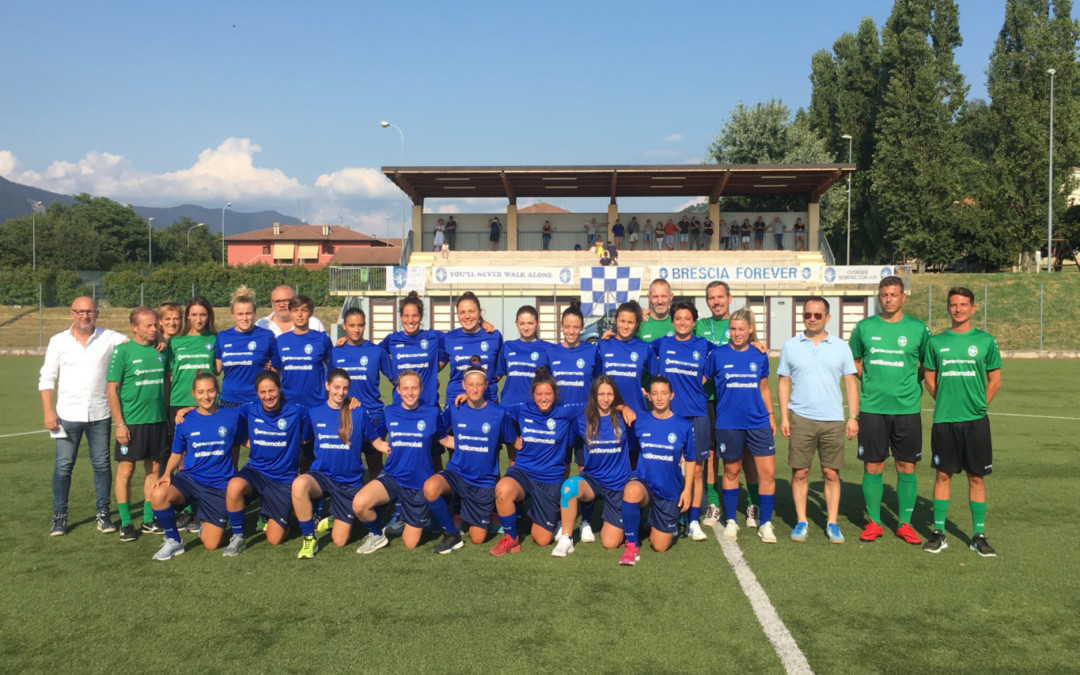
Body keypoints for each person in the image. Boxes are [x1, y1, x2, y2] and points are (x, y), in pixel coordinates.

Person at [922, 287, 1002, 557]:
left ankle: (978, 535)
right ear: (948, 308)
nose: (958, 309)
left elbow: (995, 380)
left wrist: (980, 405)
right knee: (942, 474)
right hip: (945, 419)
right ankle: (939, 532)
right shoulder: (935, 342)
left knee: (976, 477)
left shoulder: (985, 341)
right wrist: (944, 399)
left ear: (973, 308)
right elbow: (930, 378)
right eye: (953, 304)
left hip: (976, 421)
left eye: (963, 304)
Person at [849, 276, 929, 545]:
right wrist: (871, 382)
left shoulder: (919, 329)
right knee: (873, 464)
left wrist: (907, 382)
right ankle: (873, 522)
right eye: (884, 295)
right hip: (872, 408)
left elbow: (926, 365)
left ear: (903, 297)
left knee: (906, 465)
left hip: (907, 408)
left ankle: (904, 523)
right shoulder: (864, 328)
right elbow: (855, 361)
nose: (888, 299)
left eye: (894, 294)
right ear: (878, 297)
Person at [39, 297, 129, 536]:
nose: (84, 316)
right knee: (63, 467)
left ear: (96, 313)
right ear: (72, 314)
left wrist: (159, 338)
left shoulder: (111, 338)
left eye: (89, 311)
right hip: (67, 415)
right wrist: (48, 411)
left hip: (100, 414)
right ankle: (59, 516)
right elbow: (47, 378)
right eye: (80, 312)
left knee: (101, 466)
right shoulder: (58, 341)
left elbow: (136, 341)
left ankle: (103, 514)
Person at [778, 297, 859, 543]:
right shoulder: (791, 345)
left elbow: (850, 383)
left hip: (833, 419)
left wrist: (853, 416)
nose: (812, 318)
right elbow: (783, 381)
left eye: (817, 315)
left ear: (827, 318)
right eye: (807, 315)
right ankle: (801, 521)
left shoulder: (841, 347)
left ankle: (832, 523)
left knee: (831, 473)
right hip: (800, 417)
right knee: (800, 472)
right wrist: (784, 416)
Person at [149, 372, 245, 560]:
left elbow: (246, 436)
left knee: (211, 544)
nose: (206, 396)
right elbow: (177, 453)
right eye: (200, 392)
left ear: (217, 391)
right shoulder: (184, 420)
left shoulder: (232, 416)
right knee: (158, 492)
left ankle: (205, 524)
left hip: (219, 485)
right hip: (190, 480)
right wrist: (167, 472)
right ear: (193, 393)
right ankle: (174, 541)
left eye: (210, 391)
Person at [291, 369, 384, 558]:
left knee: (340, 541)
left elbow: (377, 442)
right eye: (336, 387)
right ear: (327, 386)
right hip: (322, 476)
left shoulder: (358, 412)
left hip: (349, 483)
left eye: (345, 388)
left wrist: (400, 447)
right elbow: (305, 440)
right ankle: (309, 538)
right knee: (299, 484)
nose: (340, 392)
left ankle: (340, 517)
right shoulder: (314, 412)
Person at [491, 370, 585, 555]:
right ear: (533, 394)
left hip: (550, 478)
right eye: (539, 394)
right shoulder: (522, 409)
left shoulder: (565, 411)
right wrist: (511, 439)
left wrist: (623, 407)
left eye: (548, 394)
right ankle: (511, 538)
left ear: (555, 394)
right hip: (524, 471)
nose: (543, 398)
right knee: (503, 489)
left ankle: (531, 515)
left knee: (542, 540)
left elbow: (595, 404)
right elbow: (494, 411)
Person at [425, 365, 517, 553]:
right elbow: (440, 432)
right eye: (471, 385)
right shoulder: (455, 408)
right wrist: (458, 443)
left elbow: (512, 441)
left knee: (477, 539)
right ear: (464, 385)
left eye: (479, 385)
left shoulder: (498, 413)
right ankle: (452, 534)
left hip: (483, 482)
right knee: (430, 488)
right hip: (457, 473)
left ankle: (479, 515)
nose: (474, 389)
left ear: (486, 386)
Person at [351, 371, 445, 554]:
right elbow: (376, 437)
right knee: (359, 504)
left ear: (421, 389)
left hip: (419, 484)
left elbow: (443, 438)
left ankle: (421, 517)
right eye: (405, 388)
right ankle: (377, 535)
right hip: (392, 476)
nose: (410, 393)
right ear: (398, 390)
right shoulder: (389, 411)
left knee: (410, 543)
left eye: (414, 388)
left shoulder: (432, 412)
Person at [705, 309, 778, 543]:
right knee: (731, 471)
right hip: (728, 423)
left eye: (741, 329)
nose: (736, 334)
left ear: (750, 330)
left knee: (767, 473)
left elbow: (764, 387)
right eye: (733, 329)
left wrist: (771, 416)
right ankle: (732, 522)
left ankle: (765, 523)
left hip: (758, 422)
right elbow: (701, 381)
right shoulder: (717, 355)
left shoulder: (759, 354)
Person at [693, 281, 761, 530]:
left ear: (729, 298)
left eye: (720, 297)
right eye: (711, 298)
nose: (716, 302)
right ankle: (713, 502)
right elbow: (674, 327)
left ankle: (753, 503)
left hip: (737, 398)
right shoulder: (700, 325)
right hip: (708, 399)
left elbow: (752, 346)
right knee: (711, 453)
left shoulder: (738, 324)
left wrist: (756, 344)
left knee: (747, 454)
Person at [222, 371, 312, 555]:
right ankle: (238, 536)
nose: (268, 396)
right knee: (234, 485)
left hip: (283, 479)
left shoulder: (296, 411)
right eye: (263, 392)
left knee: (274, 539)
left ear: (279, 389)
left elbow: (314, 421)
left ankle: (288, 516)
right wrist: (244, 439)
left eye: (272, 390)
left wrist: (301, 439)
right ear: (257, 393)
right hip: (256, 471)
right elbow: (222, 415)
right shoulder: (249, 409)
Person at [552, 376, 636, 556]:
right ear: (594, 396)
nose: (605, 399)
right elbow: (569, 443)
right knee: (569, 487)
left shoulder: (624, 418)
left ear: (615, 396)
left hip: (618, 484)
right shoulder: (582, 420)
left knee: (610, 543)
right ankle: (566, 538)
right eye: (601, 394)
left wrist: (624, 407)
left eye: (610, 394)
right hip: (593, 480)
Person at [106, 306, 169, 542]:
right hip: (132, 422)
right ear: (134, 327)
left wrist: (161, 337)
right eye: (149, 326)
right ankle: (125, 523)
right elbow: (112, 390)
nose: (154, 329)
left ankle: (148, 520)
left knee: (153, 470)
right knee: (126, 470)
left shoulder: (161, 349)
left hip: (157, 420)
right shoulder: (122, 352)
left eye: (155, 325)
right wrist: (120, 424)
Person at [652, 301, 713, 541]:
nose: (682, 322)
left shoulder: (704, 345)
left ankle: (694, 520)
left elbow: (730, 351)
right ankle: (675, 514)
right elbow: (633, 346)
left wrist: (756, 344)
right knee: (671, 468)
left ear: (694, 322)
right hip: (670, 416)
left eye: (687, 318)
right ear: (672, 321)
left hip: (697, 413)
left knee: (696, 471)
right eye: (678, 318)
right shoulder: (663, 344)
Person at [619, 376, 694, 565]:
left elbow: (692, 459)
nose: (659, 398)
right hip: (645, 483)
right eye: (655, 393)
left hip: (669, 489)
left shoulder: (684, 426)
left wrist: (687, 490)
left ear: (672, 395)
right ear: (649, 397)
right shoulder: (640, 422)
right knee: (631, 490)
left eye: (664, 393)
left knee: (659, 546)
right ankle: (632, 546)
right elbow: (632, 450)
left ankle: (653, 521)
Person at [331, 307, 393, 476]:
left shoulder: (376, 351)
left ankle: (378, 500)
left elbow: (396, 380)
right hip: (345, 416)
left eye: (360, 325)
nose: (356, 329)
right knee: (346, 462)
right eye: (352, 325)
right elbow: (329, 383)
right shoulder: (336, 352)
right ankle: (348, 497)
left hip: (373, 415)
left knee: (374, 463)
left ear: (365, 325)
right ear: (344, 325)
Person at [380, 292, 445, 408]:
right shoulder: (392, 339)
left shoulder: (433, 337)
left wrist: (435, 369)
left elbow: (456, 339)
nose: (410, 320)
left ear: (420, 316)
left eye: (414, 315)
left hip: (428, 405)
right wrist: (393, 377)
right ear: (401, 317)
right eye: (406, 315)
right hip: (401, 405)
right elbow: (373, 353)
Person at [216, 286, 278, 408]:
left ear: (255, 312)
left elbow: (276, 367)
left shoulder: (266, 336)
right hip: (229, 400)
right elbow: (217, 369)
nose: (244, 318)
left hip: (257, 400)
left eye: (248, 313)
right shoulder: (223, 336)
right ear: (232, 314)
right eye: (240, 314)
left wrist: (271, 367)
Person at [596, 301, 657, 419]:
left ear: (637, 324)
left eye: (630, 322)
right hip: (608, 413)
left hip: (636, 413)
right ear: (615, 320)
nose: (625, 326)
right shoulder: (603, 344)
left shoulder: (643, 347)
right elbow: (596, 378)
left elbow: (657, 375)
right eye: (622, 321)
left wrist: (648, 390)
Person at [273, 295, 333, 410]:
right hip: (287, 404)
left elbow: (333, 368)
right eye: (296, 310)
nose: (300, 315)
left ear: (311, 313)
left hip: (316, 404)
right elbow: (274, 371)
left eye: (304, 310)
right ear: (290, 313)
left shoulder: (322, 339)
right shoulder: (281, 340)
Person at [442, 292, 502, 403]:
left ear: (479, 312)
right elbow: (434, 367)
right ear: (457, 315)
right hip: (456, 401)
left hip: (487, 399)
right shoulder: (448, 338)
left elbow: (500, 370)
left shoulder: (494, 336)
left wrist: (482, 387)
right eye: (462, 312)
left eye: (471, 311)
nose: (467, 316)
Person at [496, 305, 551, 407]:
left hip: (535, 408)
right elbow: (496, 376)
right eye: (522, 323)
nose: (526, 328)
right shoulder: (508, 346)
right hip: (509, 407)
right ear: (516, 324)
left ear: (538, 323)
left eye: (530, 323)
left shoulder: (549, 349)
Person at [257, 285, 326, 336]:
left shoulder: (313, 323)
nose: (281, 305)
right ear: (272, 303)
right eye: (277, 301)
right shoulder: (262, 325)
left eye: (286, 301)